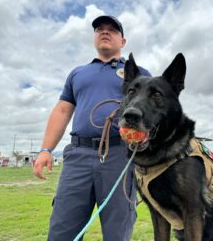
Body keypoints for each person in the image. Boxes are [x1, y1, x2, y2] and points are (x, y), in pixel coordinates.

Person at [33, 15, 151, 241]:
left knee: (118, 231)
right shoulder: (78, 73)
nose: (104, 32)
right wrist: (46, 150)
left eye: (112, 30)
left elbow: (155, 108)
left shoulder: (138, 72)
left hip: (120, 156)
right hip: (78, 156)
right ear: (94, 38)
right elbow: (62, 111)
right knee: (62, 229)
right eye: (99, 29)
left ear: (123, 41)